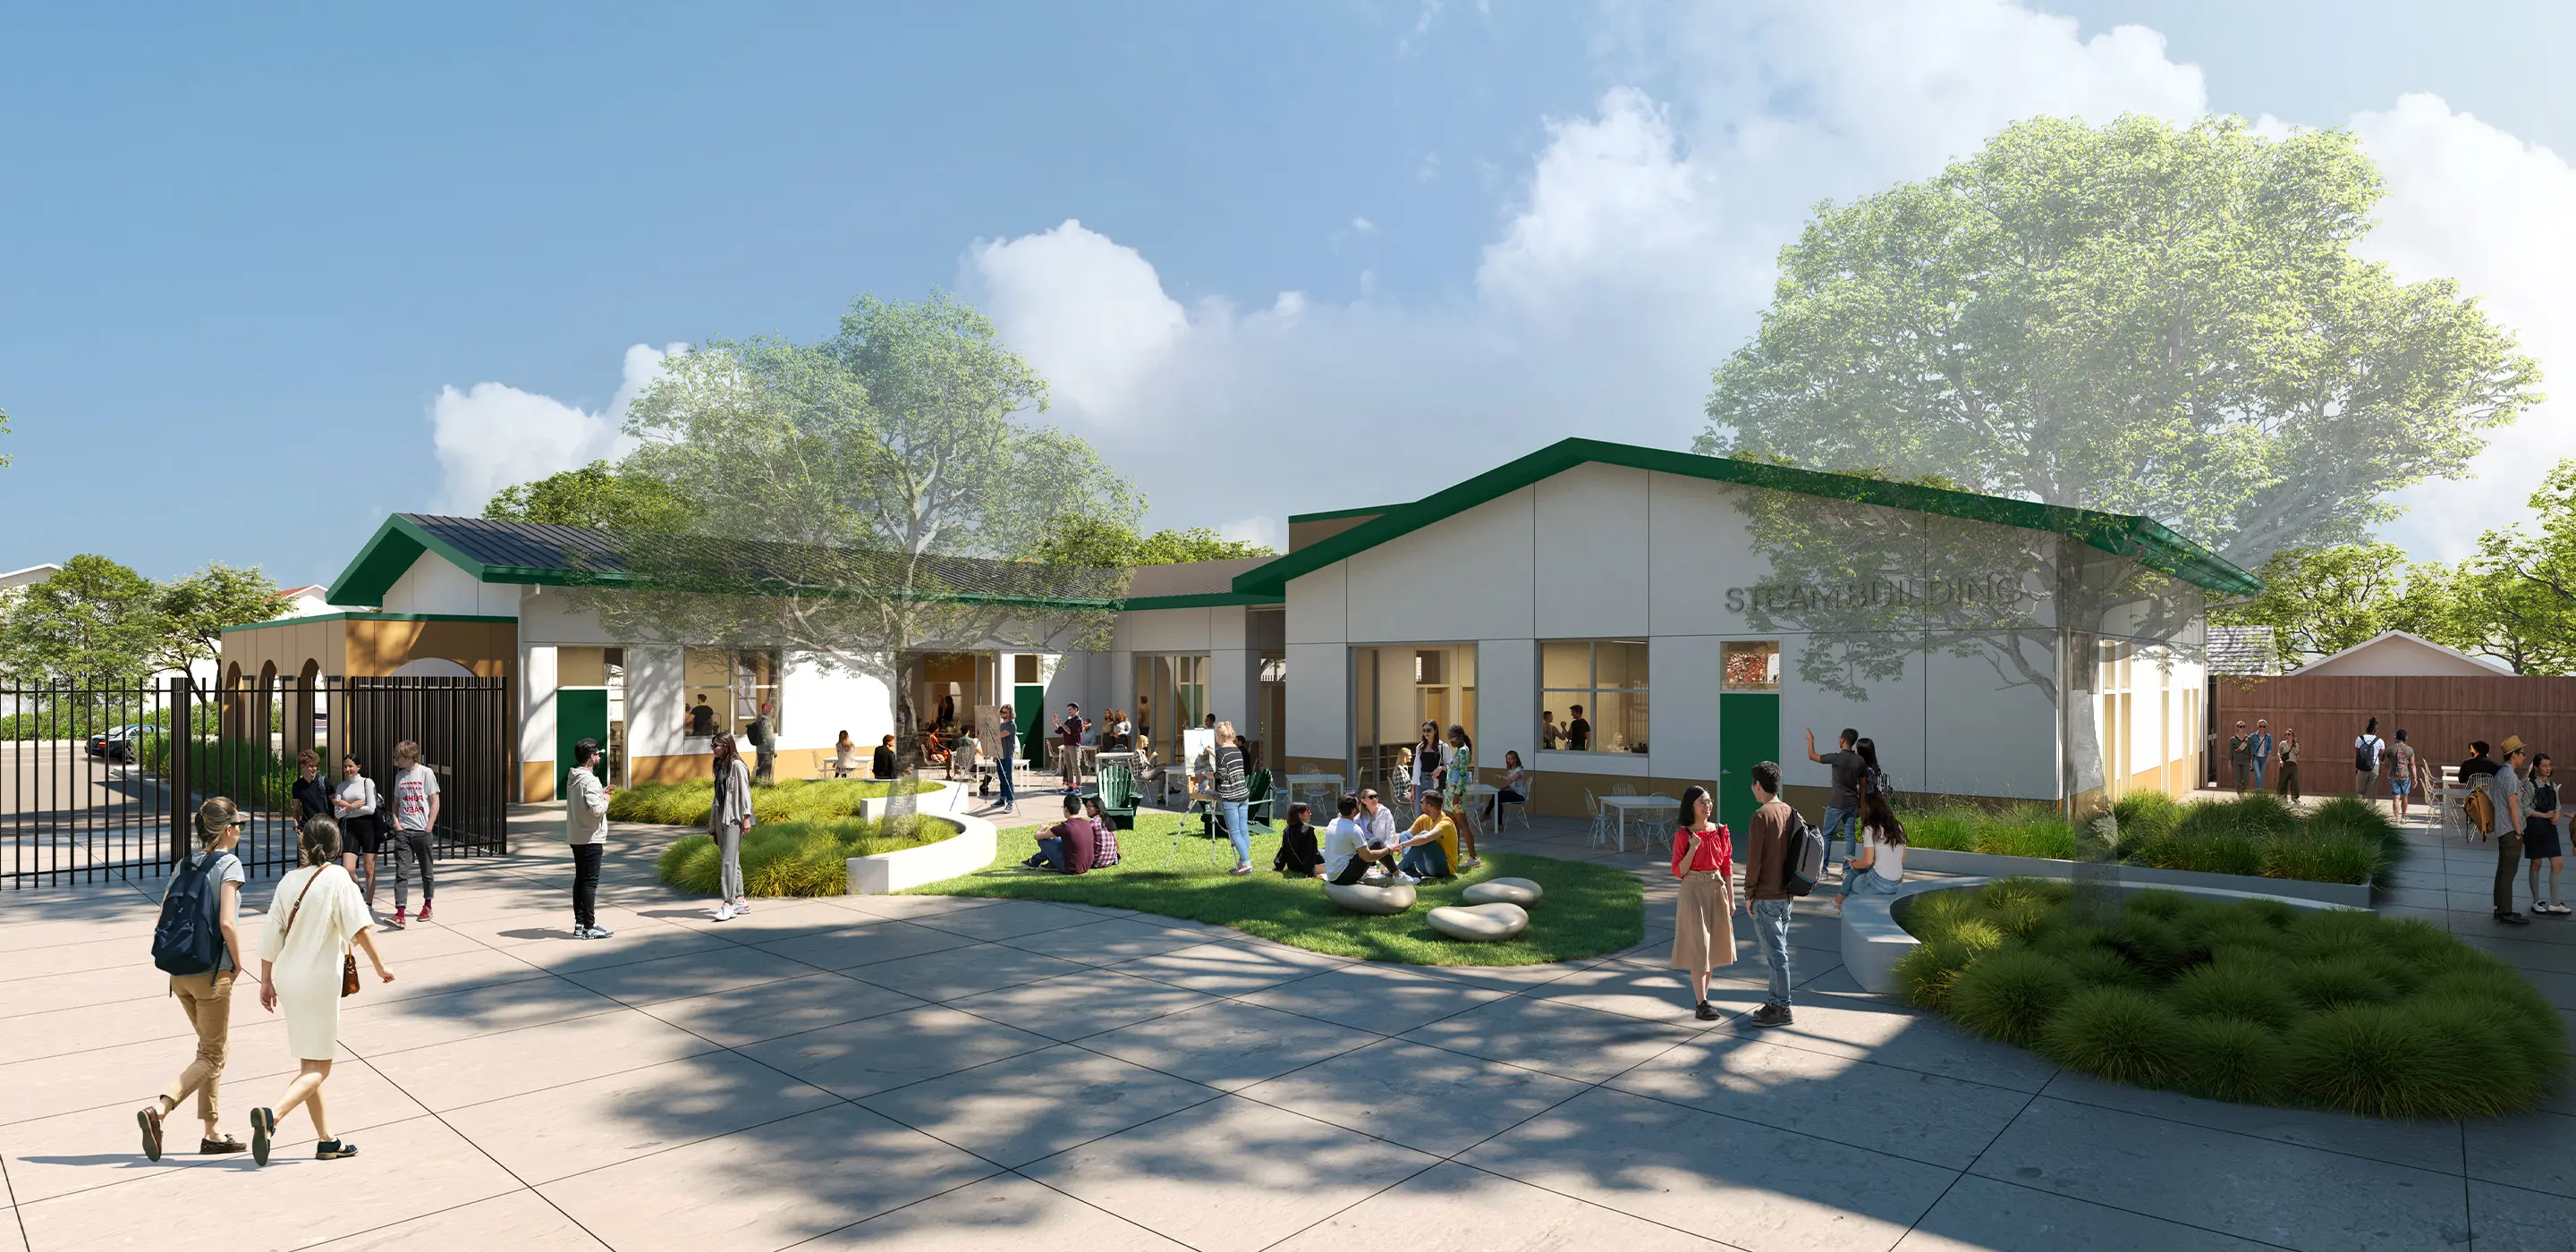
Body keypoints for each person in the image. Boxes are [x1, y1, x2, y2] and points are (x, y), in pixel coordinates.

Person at [249, 817, 394, 1166]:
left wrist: (265, 981)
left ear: (304, 843)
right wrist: (380, 965)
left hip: (288, 979)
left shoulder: (288, 880)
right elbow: (360, 927)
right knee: (321, 1068)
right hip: (318, 983)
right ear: (336, 846)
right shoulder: (338, 878)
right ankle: (272, 1116)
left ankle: (327, 1141)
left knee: (309, 1063)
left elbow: (271, 933)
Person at [138, 798, 250, 1162]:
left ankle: (212, 1132)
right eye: (239, 825)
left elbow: (162, 918)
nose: (241, 832)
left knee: (213, 1049)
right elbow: (227, 922)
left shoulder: (184, 864)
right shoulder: (229, 864)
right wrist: (237, 963)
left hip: (179, 975)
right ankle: (160, 1109)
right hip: (211, 974)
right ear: (228, 829)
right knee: (212, 1054)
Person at [1668, 784, 1735, 1021]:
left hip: (1716, 889)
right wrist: (1693, 848)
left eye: (1709, 801)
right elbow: (1679, 871)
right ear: (1691, 806)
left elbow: (1726, 865)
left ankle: (1703, 1000)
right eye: (1702, 802)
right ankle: (1701, 1003)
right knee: (1700, 946)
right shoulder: (1683, 836)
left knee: (1711, 948)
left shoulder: (1720, 831)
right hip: (1693, 890)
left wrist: (1731, 898)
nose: (1708, 806)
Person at [1739, 760, 1796, 1027]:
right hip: (1786, 896)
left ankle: (1782, 1007)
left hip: (1766, 897)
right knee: (1778, 952)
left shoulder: (1761, 816)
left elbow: (1754, 861)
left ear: (1758, 785)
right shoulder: (1790, 811)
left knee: (1776, 956)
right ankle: (1774, 1002)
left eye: (1752, 784)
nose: (1752, 788)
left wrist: (1748, 893)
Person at [386, 740, 438, 928]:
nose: (396, 760)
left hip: (422, 831)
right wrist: (396, 823)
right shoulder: (400, 776)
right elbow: (396, 803)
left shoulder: (426, 773)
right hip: (404, 831)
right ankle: (400, 913)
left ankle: (427, 905)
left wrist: (429, 826)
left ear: (408, 756)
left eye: (398, 757)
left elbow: (435, 801)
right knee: (401, 873)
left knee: (427, 871)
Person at [566, 737, 614, 940]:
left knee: (581, 879)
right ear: (591, 757)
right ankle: (589, 926)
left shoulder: (574, 777)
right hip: (591, 837)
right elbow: (597, 810)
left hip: (577, 835)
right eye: (597, 754)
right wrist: (606, 799)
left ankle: (580, 924)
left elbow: (584, 802)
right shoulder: (590, 780)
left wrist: (600, 793)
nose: (599, 757)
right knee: (590, 882)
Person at [1833, 790, 1909, 915]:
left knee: (1855, 883)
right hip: (1897, 883)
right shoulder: (1897, 827)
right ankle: (1836, 904)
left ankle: (1840, 907)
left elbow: (1867, 861)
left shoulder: (1870, 829)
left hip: (1880, 882)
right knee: (1857, 872)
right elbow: (1902, 859)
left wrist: (1853, 864)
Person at [708, 732, 753, 921]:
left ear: (727, 746)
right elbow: (717, 797)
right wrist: (713, 823)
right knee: (731, 859)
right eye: (712, 745)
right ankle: (740, 900)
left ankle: (728, 903)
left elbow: (745, 793)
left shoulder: (737, 766)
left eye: (716, 745)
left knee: (728, 861)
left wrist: (746, 817)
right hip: (721, 816)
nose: (713, 749)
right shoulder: (720, 766)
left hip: (734, 818)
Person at [1805, 727, 1864, 870]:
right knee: (1850, 837)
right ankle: (1847, 869)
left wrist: (1811, 740)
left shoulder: (1836, 758)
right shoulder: (1860, 761)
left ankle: (1823, 868)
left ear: (1843, 740)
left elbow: (1812, 756)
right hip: (1852, 804)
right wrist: (1860, 805)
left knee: (1827, 836)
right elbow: (1863, 785)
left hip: (1836, 804)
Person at [330, 753, 382, 913]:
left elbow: (371, 809)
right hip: (351, 827)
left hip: (369, 828)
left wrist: (347, 806)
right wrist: (352, 807)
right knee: (347, 869)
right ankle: (359, 891)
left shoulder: (367, 782)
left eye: (351, 766)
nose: (347, 769)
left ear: (358, 767)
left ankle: (369, 904)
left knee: (369, 869)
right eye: (345, 766)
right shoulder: (341, 786)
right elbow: (337, 813)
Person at [2493, 737, 2530, 926]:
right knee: (2508, 872)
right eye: (2522, 753)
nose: (2524, 756)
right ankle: (2506, 911)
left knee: (2503, 870)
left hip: (2503, 828)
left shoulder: (2501, 773)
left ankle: (2500, 908)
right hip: (2510, 829)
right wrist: (2518, 831)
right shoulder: (2509, 776)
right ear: (2514, 754)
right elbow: (2513, 806)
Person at [2525, 752, 2566, 916]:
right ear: (2536, 768)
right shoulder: (2530, 785)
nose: (2548, 768)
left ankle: (2555, 904)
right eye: (2544, 766)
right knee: (2536, 864)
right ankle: (2536, 902)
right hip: (2535, 828)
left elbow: (2558, 806)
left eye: (2549, 765)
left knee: (2558, 864)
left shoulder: (2553, 785)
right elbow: (2526, 809)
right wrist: (2544, 815)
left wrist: (2556, 816)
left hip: (2550, 829)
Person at [1323, 795, 1397, 885]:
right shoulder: (1354, 829)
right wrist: (1388, 850)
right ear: (1354, 809)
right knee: (1377, 843)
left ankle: (1388, 874)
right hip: (1343, 877)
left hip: (1331, 875)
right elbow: (1367, 857)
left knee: (1371, 843)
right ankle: (1398, 875)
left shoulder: (1332, 823)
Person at [1213, 720, 1254, 876]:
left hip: (1230, 796)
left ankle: (1247, 864)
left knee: (1235, 832)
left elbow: (1222, 775)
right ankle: (1243, 861)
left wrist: (1211, 774)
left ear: (1219, 736)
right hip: (1243, 794)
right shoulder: (1237, 749)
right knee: (1243, 831)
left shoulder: (1221, 752)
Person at [1026, 793, 1098, 873]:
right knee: (1057, 840)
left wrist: (1041, 829)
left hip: (1070, 868)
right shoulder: (1086, 823)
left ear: (1066, 809)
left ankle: (1035, 862)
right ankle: (1037, 862)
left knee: (1043, 841)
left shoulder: (1065, 826)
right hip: (1086, 866)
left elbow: (1037, 836)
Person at [1399, 792, 1457, 881]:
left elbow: (1425, 838)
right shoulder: (1424, 818)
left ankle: (1397, 869)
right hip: (1425, 867)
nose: (1419, 803)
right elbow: (1408, 834)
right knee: (1404, 835)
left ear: (1429, 806)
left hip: (1444, 869)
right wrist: (1393, 847)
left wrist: (1403, 845)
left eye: (1421, 802)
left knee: (1424, 835)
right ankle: (1411, 870)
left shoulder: (1445, 823)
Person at [2462, 740, 2502, 843]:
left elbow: (2461, 779)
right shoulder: (2495, 765)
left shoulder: (2467, 764)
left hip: (2473, 800)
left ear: (2475, 751)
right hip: (2491, 800)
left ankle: (2473, 818)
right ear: (2488, 751)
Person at [1274, 801, 1324, 876]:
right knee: (1326, 851)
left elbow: (1284, 850)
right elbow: (1311, 854)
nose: (1310, 814)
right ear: (1300, 815)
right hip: (1309, 867)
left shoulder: (1287, 830)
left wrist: (1279, 866)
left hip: (1293, 867)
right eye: (1308, 811)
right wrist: (1310, 873)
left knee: (1323, 850)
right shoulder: (1308, 831)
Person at [291, 749, 333, 833]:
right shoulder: (297, 786)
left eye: (316, 766)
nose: (314, 769)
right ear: (302, 766)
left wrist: (334, 826)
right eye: (311, 766)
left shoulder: (325, 782)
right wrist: (296, 826)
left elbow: (335, 806)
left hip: (324, 827)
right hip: (306, 828)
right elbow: (296, 809)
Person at [2386, 728, 2419, 820]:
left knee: (2396, 798)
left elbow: (2386, 764)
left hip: (2394, 776)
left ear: (2396, 737)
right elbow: (2412, 765)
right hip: (2405, 777)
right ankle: (2403, 817)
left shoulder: (2390, 749)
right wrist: (2415, 778)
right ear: (2405, 738)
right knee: (2405, 797)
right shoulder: (2410, 750)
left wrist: (2388, 773)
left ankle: (2397, 818)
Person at [1057, 703, 1089, 793]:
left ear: (1076, 710)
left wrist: (1061, 724)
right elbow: (1059, 731)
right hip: (1066, 746)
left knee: (1075, 767)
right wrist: (1055, 722)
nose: (1069, 711)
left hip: (1074, 746)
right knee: (1068, 767)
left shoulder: (1078, 721)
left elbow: (1070, 731)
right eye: (1068, 710)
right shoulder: (1068, 720)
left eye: (1070, 709)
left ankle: (1078, 787)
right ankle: (1070, 786)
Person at [1084, 794, 1123, 867]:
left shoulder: (1091, 822)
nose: (1087, 809)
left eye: (1089, 806)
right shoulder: (1109, 821)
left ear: (1097, 808)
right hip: (1110, 860)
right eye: (1086, 806)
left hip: (1096, 861)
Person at [2354, 717, 2386, 799]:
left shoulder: (2359, 739)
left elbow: (2358, 754)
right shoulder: (2380, 741)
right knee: (2371, 793)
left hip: (2361, 767)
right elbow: (2382, 758)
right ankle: (2371, 807)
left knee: (2359, 792)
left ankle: (2358, 807)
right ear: (2376, 731)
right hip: (2374, 767)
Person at [995, 704, 1020, 811]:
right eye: (1002, 712)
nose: (1002, 714)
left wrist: (993, 733)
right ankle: (1002, 799)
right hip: (999, 755)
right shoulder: (1000, 725)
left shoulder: (1012, 725)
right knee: (1001, 778)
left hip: (1007, 755)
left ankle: (1010, 802)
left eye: (1005, 712)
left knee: (1008, 779)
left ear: (1010, 714)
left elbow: (1002, 734)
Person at [747, 700, 775, 784]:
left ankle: (759, 785)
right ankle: (762, 786)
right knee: (765, 772)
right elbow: (769, 738)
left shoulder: (759, 720)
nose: (773, 712)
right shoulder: (766, 722)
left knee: (760, 769)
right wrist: (773, 750)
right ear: (768, 711)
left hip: (760, 749)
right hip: (766, 751)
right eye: (772, 710)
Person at [2247, 720, 2275, 793]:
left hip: (2264, 758)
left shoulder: (2268, 737)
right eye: (2260, 726)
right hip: (2255, 758)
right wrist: (2250, 760)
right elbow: (2249, 747)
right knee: (2258, 774)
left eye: (2264, 726)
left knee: (2261, 776)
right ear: (2258, 726)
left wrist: (2269, 756)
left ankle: (2257, 790)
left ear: (2266, 727)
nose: (2262, 728)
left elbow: (2269, 748)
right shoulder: (2253, 736)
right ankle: (2259, 790)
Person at [2275, 729, 2302, 803]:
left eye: (2289, 734)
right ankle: (2282, 797)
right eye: (2286, 734)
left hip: (2293, 764)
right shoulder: (2283, 743)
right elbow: (2279, 753)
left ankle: (2295, 797)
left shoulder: (2296, 745)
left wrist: (2295, 752)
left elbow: (2298, 756)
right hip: (2285, 764)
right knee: (2283, 781)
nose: (2287, 736)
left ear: (2292, 736)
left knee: (2295, 781)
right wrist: (2280, 760)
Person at [2227, 722, 2253, 795]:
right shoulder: (2233, 739)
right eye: (2241, 726)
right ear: (2237, 728)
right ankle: (2240, 794)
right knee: (2238, 779)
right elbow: (2230, 751)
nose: (2242, 728)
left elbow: (2251, 751)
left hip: (2245, 761)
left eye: (2243, 726)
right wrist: (2229, 762)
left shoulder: (2248, 738)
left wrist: (2251, 762)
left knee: (2246, 779)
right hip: (2236, 761)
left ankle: (2242, 790)